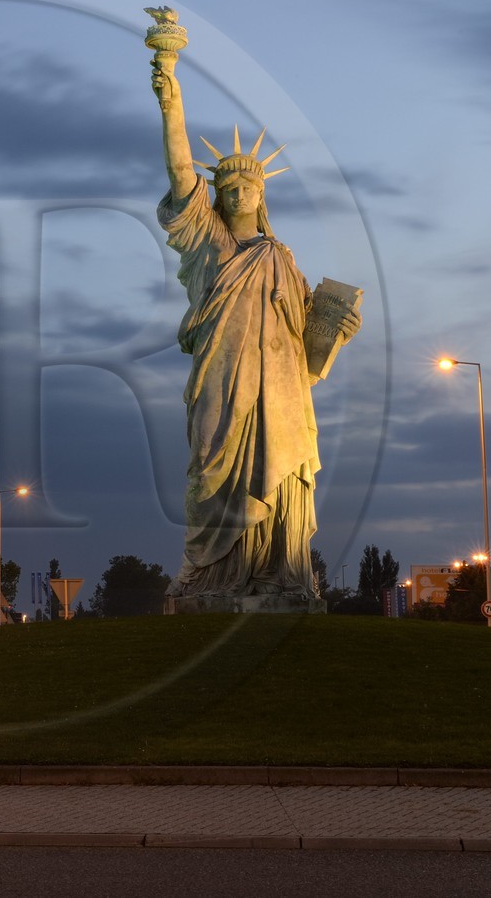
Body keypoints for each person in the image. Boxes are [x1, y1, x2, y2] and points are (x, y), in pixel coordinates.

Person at [150, 48, 359, 611]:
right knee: (211, 468)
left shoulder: (282, 260)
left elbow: (305, 344)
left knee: (279, 474)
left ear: (263, 192)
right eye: (229, 185)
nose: (241, 191)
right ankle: (206, 570)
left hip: (282, 390)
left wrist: (336, 327)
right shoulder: (207, 243)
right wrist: (170, 92)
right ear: (218, 193)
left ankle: (277, 575)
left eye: (250, 184)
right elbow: (179, 169)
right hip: (222, 376)